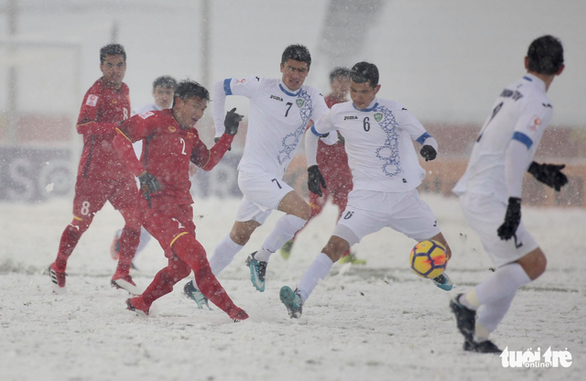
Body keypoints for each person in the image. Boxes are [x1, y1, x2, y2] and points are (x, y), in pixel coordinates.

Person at [279, 61, 454, 319]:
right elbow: (312, 134)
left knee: (445, 253)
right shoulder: (339, 112)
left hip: (404, 199)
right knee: (333, 247)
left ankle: (434, 270)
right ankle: (299, 296)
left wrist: (430, 148)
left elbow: (427, 138)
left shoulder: (395, 110)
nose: (358, 97)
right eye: (354, 91)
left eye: (364, 91)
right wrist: (313, 167)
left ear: (376, 88)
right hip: (365, 200)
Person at [183, 44, 329, 307]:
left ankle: (196, 286)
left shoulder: (312, 97)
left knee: (237, 237)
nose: (295, 75)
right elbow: (220, 86)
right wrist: (219, 132)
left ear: (308, 72)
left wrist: (325, 139)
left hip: (272, 179)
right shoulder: (262, 86)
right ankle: (261, 257)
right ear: (282, 66)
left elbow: (325, 130)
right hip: (253, 174)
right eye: (291, 68)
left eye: (302, 70)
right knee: (301, 212)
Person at [450, 35, 567, 353]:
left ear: (526, 62)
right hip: (489, 196)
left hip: (479, 190)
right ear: (561, 69)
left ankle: (480, 336)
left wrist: (537, 168)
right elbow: (515, 148)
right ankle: (465, 303)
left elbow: (503, 145)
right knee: (534, 263)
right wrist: (515, 203)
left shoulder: (513, 90)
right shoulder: (539, 102)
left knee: (512, 268)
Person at [113, 79, 248, 321]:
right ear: (180, 101)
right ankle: (235, 312)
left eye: (203, 109)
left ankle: (142, 302)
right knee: (198, 257)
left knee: (180, 268)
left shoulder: (190, 133)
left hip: (183, 208)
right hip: (155, 206)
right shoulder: (154, 119)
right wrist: (140, 173)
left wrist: (228, 134)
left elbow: (207, 163)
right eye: (195, 106)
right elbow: (120, 137)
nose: (198, 114)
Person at [48, 44, 141, 295]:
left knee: (136, 219)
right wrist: (115, 127)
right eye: (109, 65)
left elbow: (123, 129)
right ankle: (59, 265)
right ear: (101, 66)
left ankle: (122, 272)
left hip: (121, 173)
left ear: (125, 66)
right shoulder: (95, 92)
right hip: (95, 173)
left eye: (119, 65)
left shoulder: (126, 90)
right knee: (81, 224)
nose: (115, 70)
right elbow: (82, 126)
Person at [280, 67, 365, 265]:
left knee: (347, 211)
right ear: (332, 83)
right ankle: (288, 237)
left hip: (344, 170)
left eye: (346, 81)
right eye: (339, 81)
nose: (342, 85)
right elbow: (312, 133)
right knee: (314, 209)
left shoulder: (350, 108)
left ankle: (344, 253)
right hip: (324, 169)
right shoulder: (323, 106)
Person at [109, 76, 178, 265]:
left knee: (150, 221)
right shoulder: (142, 113)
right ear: (154, 93)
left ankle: (126, 252)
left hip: (164, 175)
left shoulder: (177, 117)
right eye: (161, 92)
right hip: (143, 174)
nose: (164, 96)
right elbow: (123, 136)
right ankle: (125, 254)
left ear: (174, 95)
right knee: (149, 221)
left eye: (168, 92)